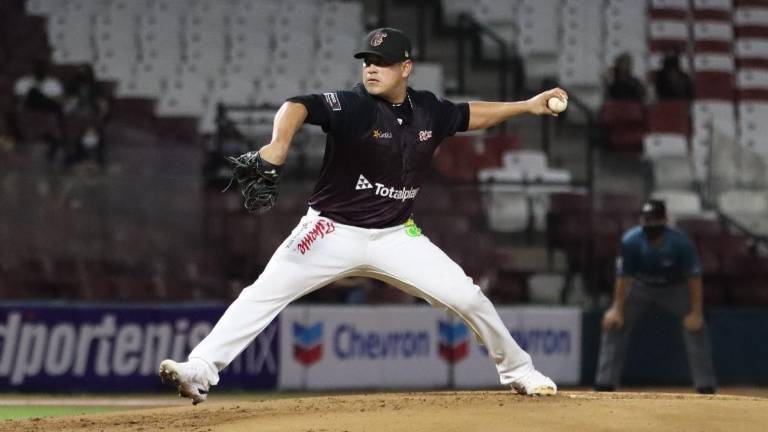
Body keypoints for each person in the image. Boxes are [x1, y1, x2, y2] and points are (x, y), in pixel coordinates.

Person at [158, 27, 568, 404]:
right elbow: (297, 105)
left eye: (383, 62)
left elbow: (469, 114)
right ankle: (201, 368)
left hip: (395, 236)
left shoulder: (428, 110)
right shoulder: (353, 105)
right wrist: (278, 146)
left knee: (468, 298)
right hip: (329, 229)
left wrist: (527, 106)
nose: (372, 68)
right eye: (368, 60)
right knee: (262, 294)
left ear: (405, 68)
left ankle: (520, 370)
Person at [594, 200, 717, 394]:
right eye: (647, 220)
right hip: (641, 287)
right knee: (614, 323)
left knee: (696, 327)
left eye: (655, 220)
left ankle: (705, 385)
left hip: (674, 289)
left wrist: (696, 312)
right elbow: (623, 277)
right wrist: (617, 308)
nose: (651, 224)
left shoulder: (681, 243)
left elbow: (693, 278)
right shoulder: (630, 241)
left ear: (664, 220)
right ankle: (605, 383)